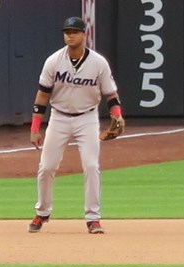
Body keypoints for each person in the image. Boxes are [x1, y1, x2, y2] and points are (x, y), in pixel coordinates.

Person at [28, 17, 124, 235]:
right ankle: (42, 213)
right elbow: (42, 95)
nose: (70, 35)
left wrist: (117, 114)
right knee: (47, 167)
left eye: (74, 31)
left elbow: (110, 94)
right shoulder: (53, 61)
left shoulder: (98, 63)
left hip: (87, 118)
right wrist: (35, 128)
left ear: (84, 35)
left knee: (91, 166)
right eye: (67, 31)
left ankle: (93, 218)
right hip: (59, 117)